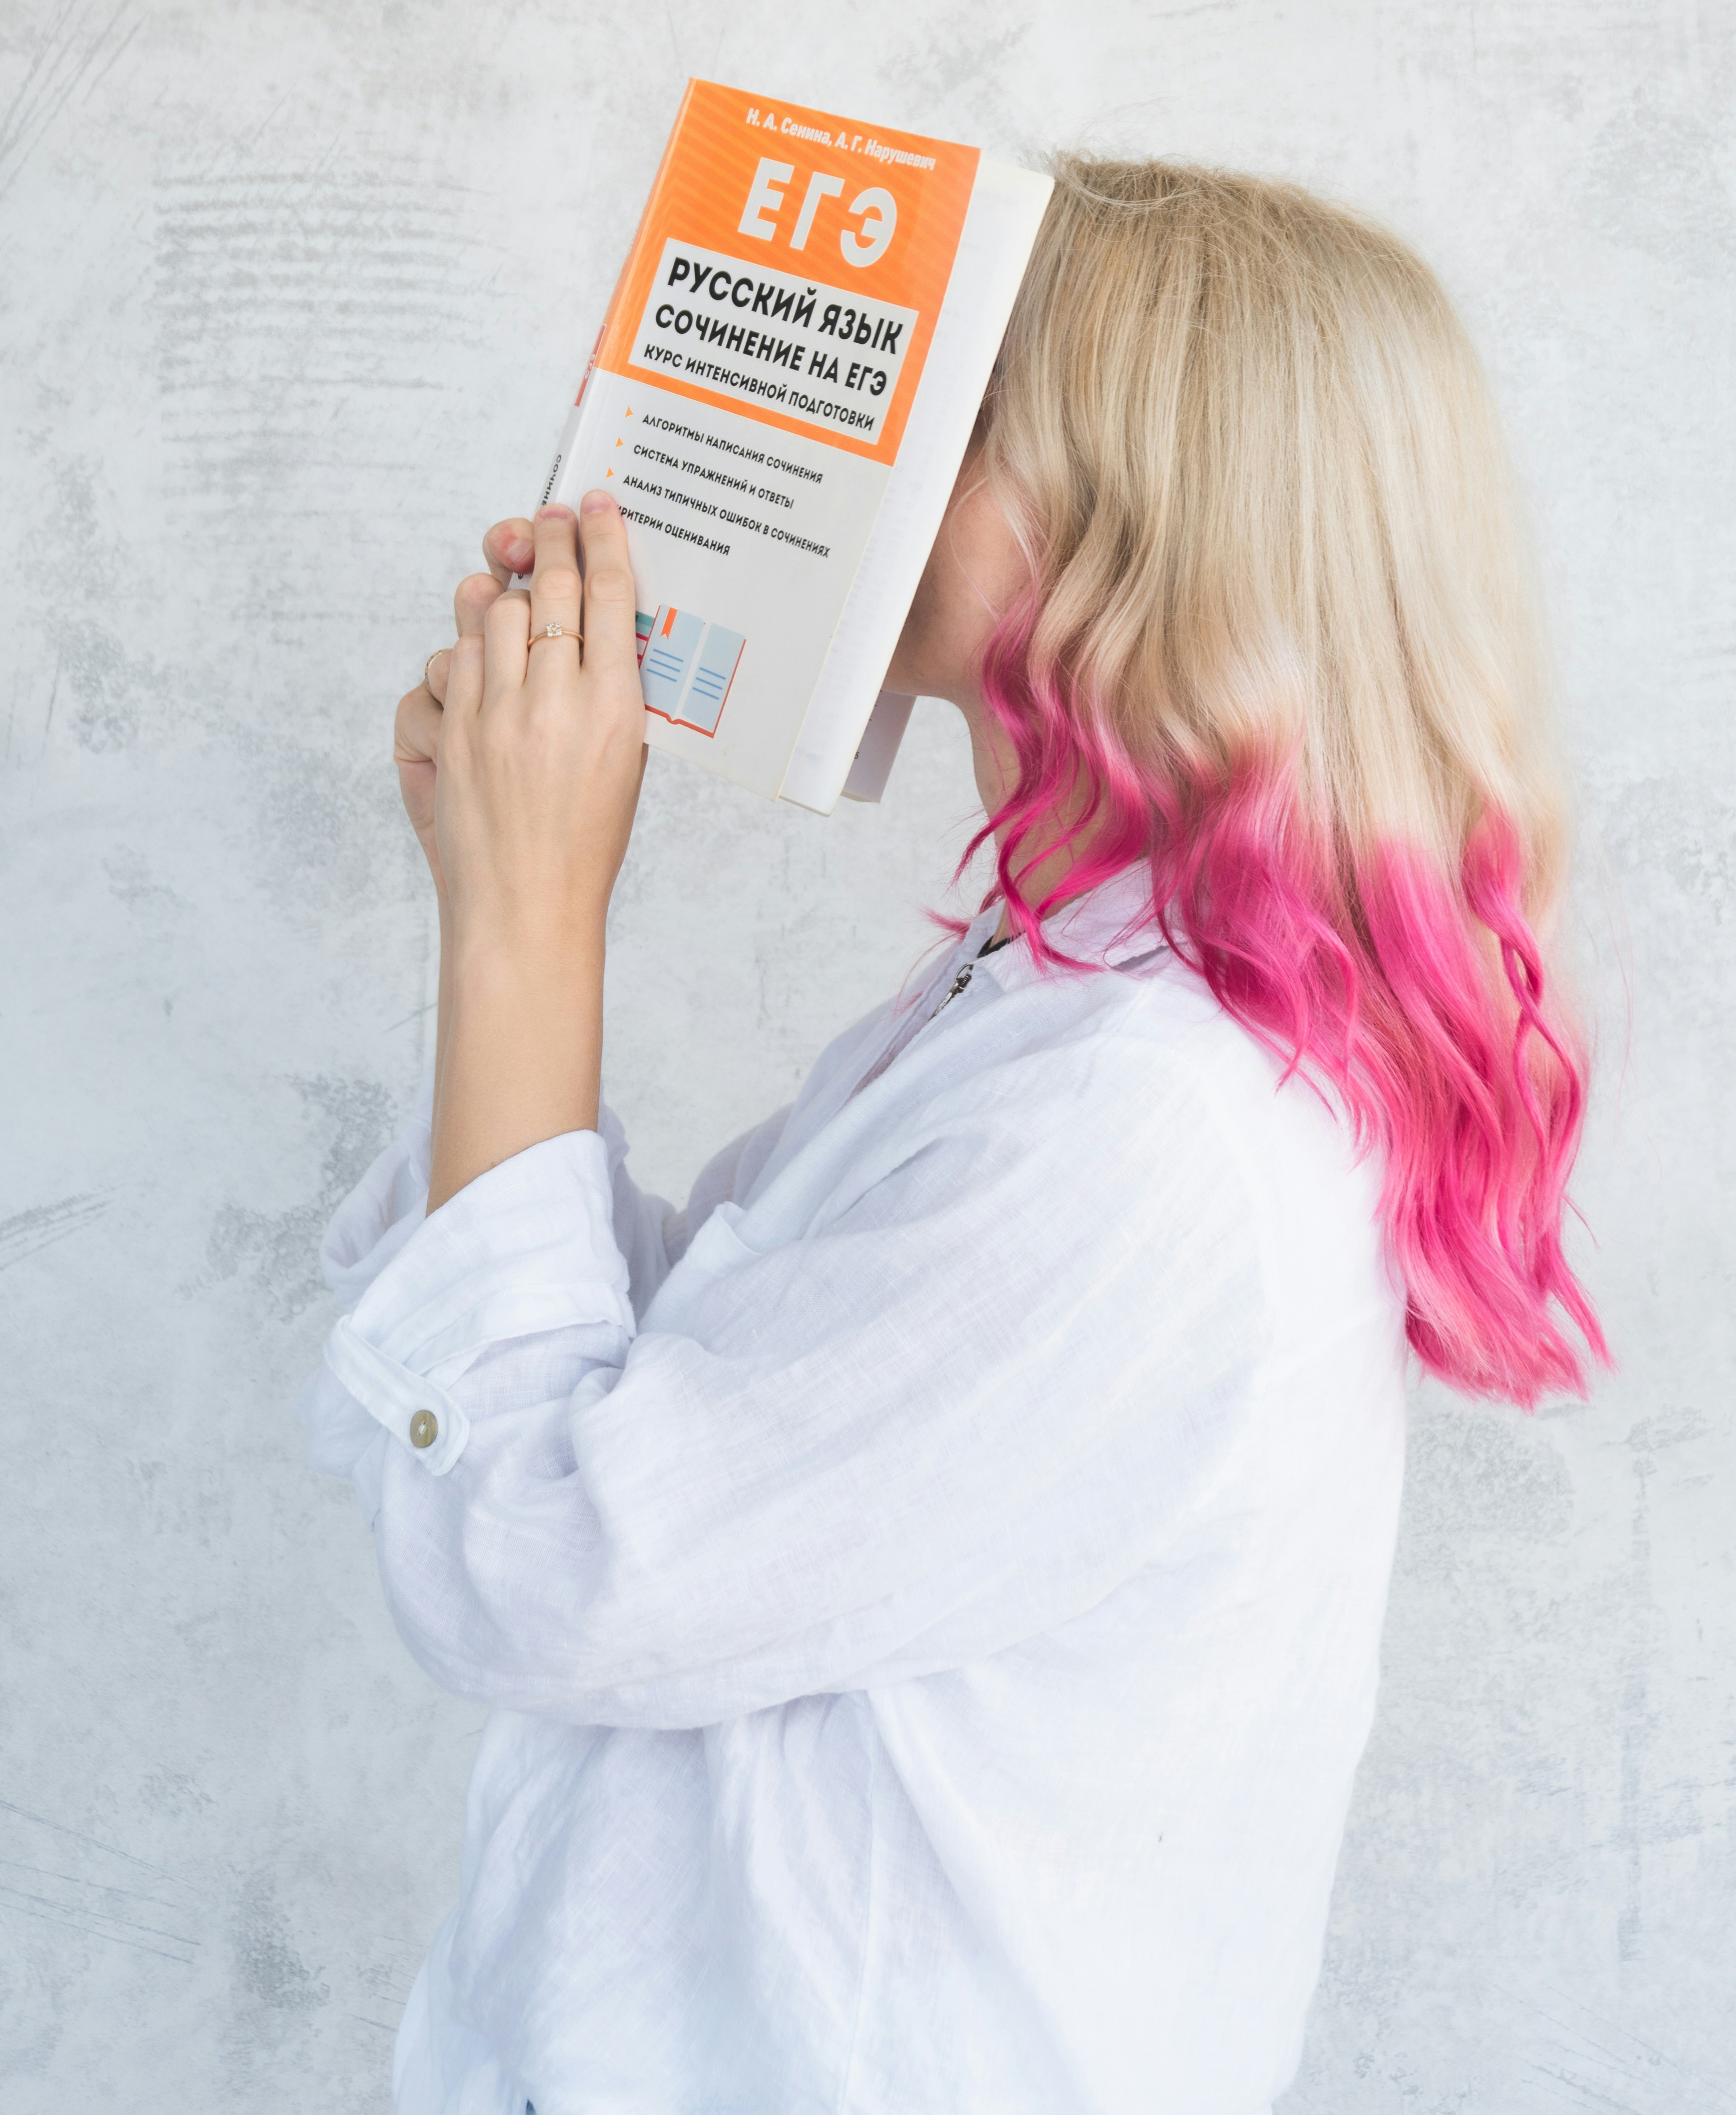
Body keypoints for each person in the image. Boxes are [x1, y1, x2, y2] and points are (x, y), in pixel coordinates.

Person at [301, 155, 1606, 2115]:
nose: (880, 445)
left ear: (1137, 531)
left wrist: (525, 923)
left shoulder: (1140, 1128)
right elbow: (657, 1384)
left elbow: (544, 1561)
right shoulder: (1054, 1007)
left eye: (962, 408)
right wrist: (497, 881)